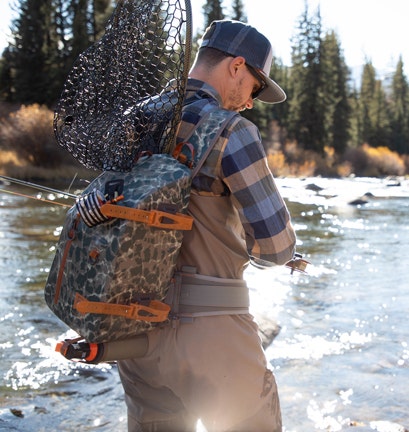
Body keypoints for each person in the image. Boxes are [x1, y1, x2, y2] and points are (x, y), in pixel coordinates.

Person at [118, 20, 297, 432]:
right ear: (236, 66)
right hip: (211, 334)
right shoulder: (234, 132)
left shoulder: (136, 120)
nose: (250, 101)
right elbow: (275, 248)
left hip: (133, 326)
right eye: (254, 86)